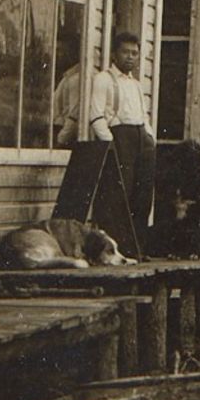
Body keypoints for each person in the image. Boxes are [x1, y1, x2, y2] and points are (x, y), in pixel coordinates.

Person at [86, 32, 156, 251]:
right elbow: (96, 116)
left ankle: (138, 248)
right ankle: (119, 248)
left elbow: (143, 115)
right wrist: (110, 143)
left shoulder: (135, 84)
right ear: (114, 54)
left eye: (135, 53)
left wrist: (150, 137)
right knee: (119, 196)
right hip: (119, 137)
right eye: (125, 52)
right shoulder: (103, 79)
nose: (130, 57)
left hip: (140, 138)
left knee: (142, 195)